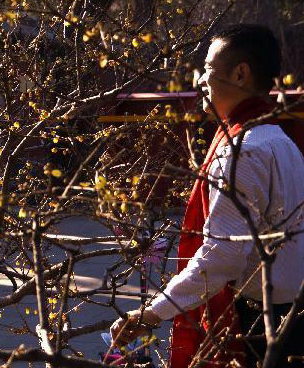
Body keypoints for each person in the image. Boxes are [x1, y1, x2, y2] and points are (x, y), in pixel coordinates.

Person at [110, 25, 304, 367]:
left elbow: (222, 256)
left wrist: (152, 313)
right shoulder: (282, 142)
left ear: (241, 74)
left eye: (209, 70)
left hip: (257, 325)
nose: (201, 80)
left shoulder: (242, 151)